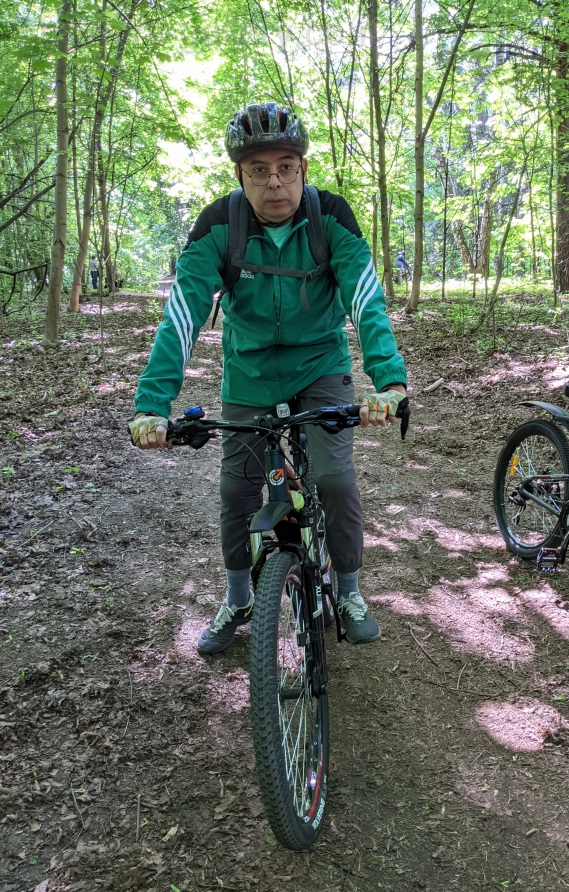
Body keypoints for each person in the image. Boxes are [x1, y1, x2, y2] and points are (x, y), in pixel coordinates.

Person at [128, 102, 407, 654]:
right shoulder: (218, 226)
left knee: (335, 479)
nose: (275, 182)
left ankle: (349, 592)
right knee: (236, 490)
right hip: (250, 373)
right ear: (241, 175)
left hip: (321, 365)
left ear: (303, 169)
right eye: (259, 170)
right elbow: (181, 315)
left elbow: (365, 299)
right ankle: (238, 598)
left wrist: (389, 381)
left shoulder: (331, 218)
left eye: (286, 167)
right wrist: (151, 404)